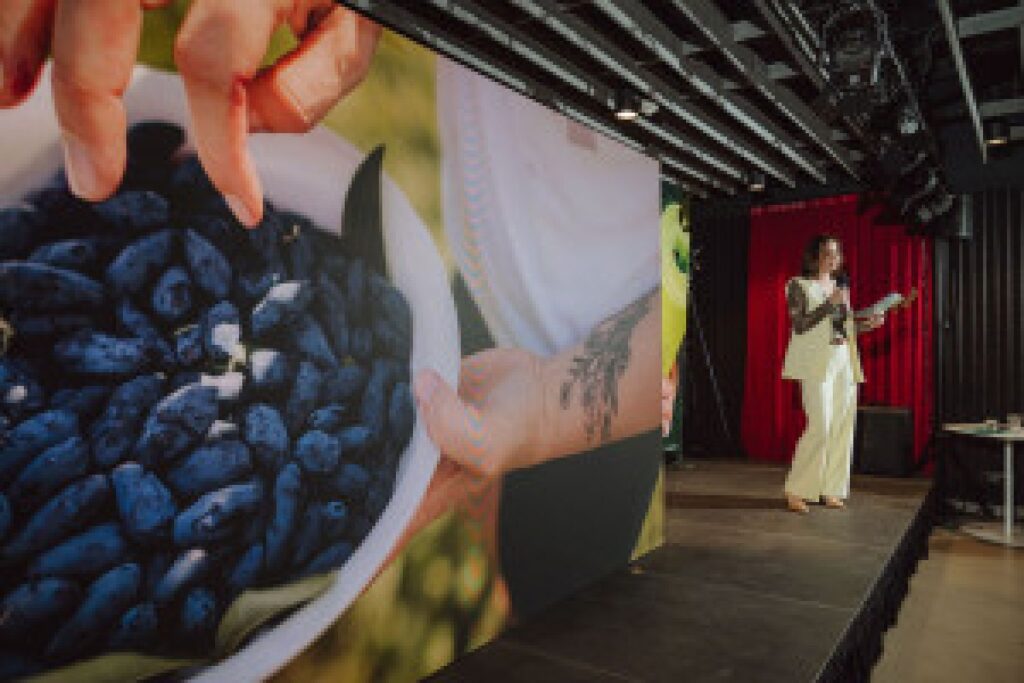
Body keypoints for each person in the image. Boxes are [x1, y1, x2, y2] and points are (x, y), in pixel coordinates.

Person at [781, 234, 885, 514]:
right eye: (828, 253)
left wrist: (868, 325)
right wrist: (830, 303)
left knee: (842, 426)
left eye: (837, 253)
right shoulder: (798, 285)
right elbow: (800, 324)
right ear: (814, 256)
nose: (834, 258)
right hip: (816, 361)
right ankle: (796, 489)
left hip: (843, 359)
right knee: (822, 426)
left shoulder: (840, 287)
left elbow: (841, 328)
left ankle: (831, 489)